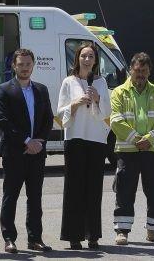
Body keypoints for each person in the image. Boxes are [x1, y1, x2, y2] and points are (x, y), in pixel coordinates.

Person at [0, 49, 54, 254]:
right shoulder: (4, 90)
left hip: (37, 153)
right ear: (14, 65)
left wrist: (39, 142)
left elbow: (48, 119)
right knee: (10, 197)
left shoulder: (41, 90)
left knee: (35, 198)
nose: (25, 68)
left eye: (28, 64)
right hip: (14, 153)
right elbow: (3, 121)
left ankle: (35, 239)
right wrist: (27, 141)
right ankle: (9, 239)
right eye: (21, 64)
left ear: (33, 65)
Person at [110, 52, 154, 246]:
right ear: (130, 70)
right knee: (124, 192)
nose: (141, 74)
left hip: (151, 151)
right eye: (137, 70)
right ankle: (122, 232)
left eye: (144, 71)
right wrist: (137, 139)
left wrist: (149, 139)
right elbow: (115, 120)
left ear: (149, 71)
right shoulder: (119, 92)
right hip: (128, 151)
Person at [56, 42, 111, 250]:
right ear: (77, 58)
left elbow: (107, 112)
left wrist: (97, 99)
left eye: (91, 57)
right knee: (74, 188)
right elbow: (60, 112)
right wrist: (76, 103)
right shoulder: (69, 82)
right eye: (83, 56)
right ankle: (74, 235)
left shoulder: (101, 82)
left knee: (94, 188)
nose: (87, 60)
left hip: (96, 140)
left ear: (96, 61)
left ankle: (93, 235)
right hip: (75, 138)